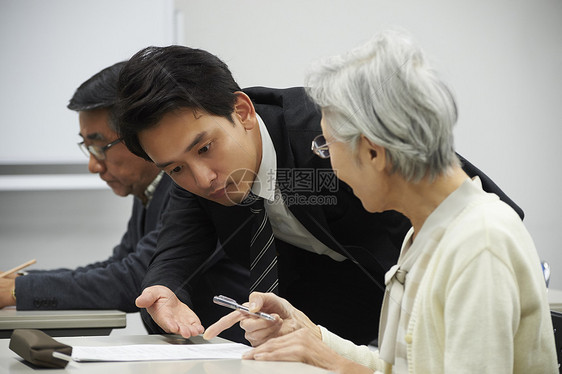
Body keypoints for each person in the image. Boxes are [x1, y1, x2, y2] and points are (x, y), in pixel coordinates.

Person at [114, 44, 523, 345]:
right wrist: (165, 288)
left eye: (205, 148)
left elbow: (463, 195)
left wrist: (488, 258)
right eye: (175, 168)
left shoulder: (328, 136)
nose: (202, 179)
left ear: (241, 111)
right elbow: (178, 247)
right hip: (331, 327)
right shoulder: (202, 178)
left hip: (431, 308)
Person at [203, 31, 558, 373]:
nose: (333, 169)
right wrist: (306, 332)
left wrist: (338, 367)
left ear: (373, 152)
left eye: (326, 148)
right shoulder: (425, 234)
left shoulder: (480, 241)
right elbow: (400, 367)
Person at [0, 62, 248, 343]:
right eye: (87, 148)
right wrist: (19, 281)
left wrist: (17, 290)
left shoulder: (194, 187)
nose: (94, 165)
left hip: (233, 351)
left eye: (100, 148)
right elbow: (119, 264)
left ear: (140, 138)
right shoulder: (149, 190)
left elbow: (136, 277)